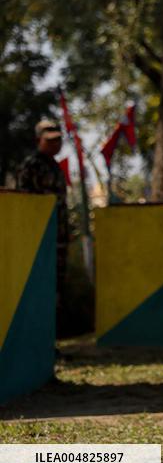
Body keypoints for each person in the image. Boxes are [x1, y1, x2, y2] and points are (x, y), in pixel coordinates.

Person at [17, 119, 70, 336]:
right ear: (39, 140)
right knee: (39, 291)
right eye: (51, 141)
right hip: (38, 240)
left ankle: (50, 342)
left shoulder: (54, 166)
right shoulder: (32, 166)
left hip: (58, 239)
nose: (56, 144)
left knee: (55, 291)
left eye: (58, 140)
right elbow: (25, 204)